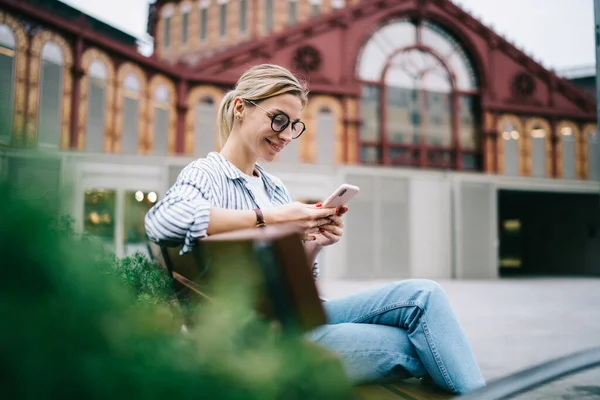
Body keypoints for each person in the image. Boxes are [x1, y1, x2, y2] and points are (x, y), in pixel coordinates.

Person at [144, 64, 486, 395]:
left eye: (294, 125)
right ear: (240, 108)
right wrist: (271, 217)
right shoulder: (208, 173)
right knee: (424, 341)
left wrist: (314, 243)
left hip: (293, 317)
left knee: (424, 297)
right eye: (278, 119)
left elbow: (295, 284)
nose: (285, 135)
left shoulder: (275, 187)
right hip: (263, 338)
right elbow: (162, 220)